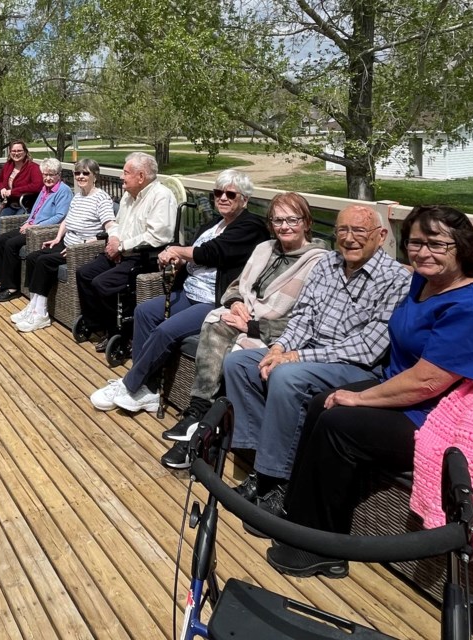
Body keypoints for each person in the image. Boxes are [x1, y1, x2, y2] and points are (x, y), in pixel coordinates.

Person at [268, 205, 473, 579]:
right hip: (405, 388)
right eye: (415, 243)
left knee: (341, 424)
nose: (422, 253)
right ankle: (298, 515)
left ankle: (324, 546)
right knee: (323, 403)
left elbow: (428, 382)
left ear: (462, 246)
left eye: (436, 244)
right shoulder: (424, 282)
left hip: (438, 411)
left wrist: (358, 397)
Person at [169, 206, 410, 503]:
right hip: (307, 354)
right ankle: (262, 461)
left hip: (355, 367)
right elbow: (303, 318)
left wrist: (296, 357)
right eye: (342, 231)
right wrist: (281, 347)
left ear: (382, 235)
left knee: (285, 375)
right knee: (240, 363)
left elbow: (368, 347)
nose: (348, 239)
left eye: (359, 231)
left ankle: (277, 481)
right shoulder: (328, 265)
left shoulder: (397, 279)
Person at [90, 170, 269, 413]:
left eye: (230, 194)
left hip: (213, 301)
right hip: (188, 291)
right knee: (143, 312)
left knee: (165, 330)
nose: (223, 198)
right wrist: (179, 261)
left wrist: (177, 250)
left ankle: (131, 383)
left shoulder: (251, 226)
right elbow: (194, 254)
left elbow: (212, 252)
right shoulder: (212, 225)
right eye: (218, 193)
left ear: (244, 199)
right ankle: (148, 389)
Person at [158, 192, 329, 446]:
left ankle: (215, 432)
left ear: (307, 222)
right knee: (217, 323)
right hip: (245, 315)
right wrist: (235, 302)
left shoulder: (320, 263)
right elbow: (237, 285)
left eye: (292, 220)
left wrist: (252, 327)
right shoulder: (265, 249)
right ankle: (197, 410)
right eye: (277, 220)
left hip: (278, 334)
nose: (284, 226)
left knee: (236, 349)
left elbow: (309, 320)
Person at [76, 152, 177, 351]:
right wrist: (114, 237)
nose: (121, 177)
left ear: (141, 176)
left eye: (125, 172)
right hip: (121, 251)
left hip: (145, 257)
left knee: (102, 283)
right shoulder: (128, 195)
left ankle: (121, 333)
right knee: (84, 274)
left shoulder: (161, 196)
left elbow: (158, 236)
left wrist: (121, 247)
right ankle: (99, 325)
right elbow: (116, 224)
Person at [11, 158, 116, 333]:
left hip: (80, 250)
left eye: (85, 173)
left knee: (44, 262)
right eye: (77, 173)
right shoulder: (78, 196)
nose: (81, 176)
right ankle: (33, 305)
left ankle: (41, 314)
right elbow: (66, 220)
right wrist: (57, 238)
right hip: (67, 242)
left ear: (95, 176)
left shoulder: (101, 199)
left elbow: (108, 229)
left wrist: (81, 245)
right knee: (32, 257)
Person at [0, 157, 73, 301]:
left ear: (59, 175)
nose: (47, 178)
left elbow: (60, 216)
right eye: (45, 174)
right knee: (2, 239)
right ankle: (3, 282)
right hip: (32, 225)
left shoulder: (63, 191)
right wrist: (28, 222)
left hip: (42, 229)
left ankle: (12, 287)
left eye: (51, 174)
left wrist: (35, 226)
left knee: (11, 244)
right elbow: (35, 210)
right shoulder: (44, 189)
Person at [0, 139, 42, 239]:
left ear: (25, 152)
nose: (16, 153)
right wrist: (2, 188)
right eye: (13, 151)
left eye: (19, 151)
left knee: (14, 228)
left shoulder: (33, 167)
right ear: (10, 152)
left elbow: (37, 185)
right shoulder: (7, 166)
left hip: (26, 206)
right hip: (10, 205)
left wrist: (13, 192)